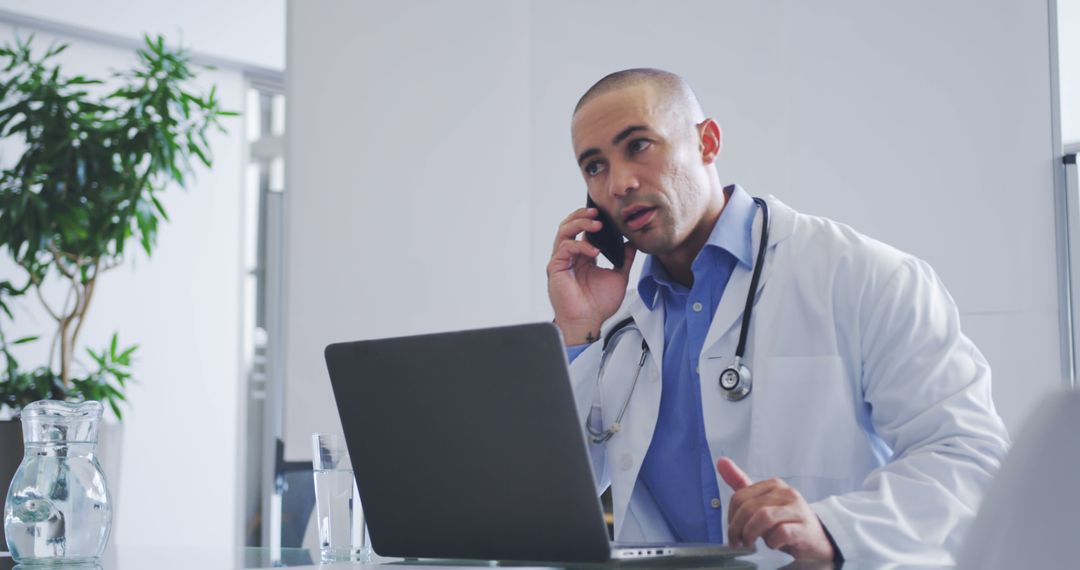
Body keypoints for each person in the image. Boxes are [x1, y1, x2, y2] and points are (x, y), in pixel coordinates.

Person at [546, 68, 1010, 564]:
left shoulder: (862, 275)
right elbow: (551, 497)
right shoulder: (615, 322)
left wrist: (833, 530)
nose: (620, 183)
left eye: (638, 145)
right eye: (595, 167)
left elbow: (970, 459)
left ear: (707, 142)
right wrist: (578, 334)